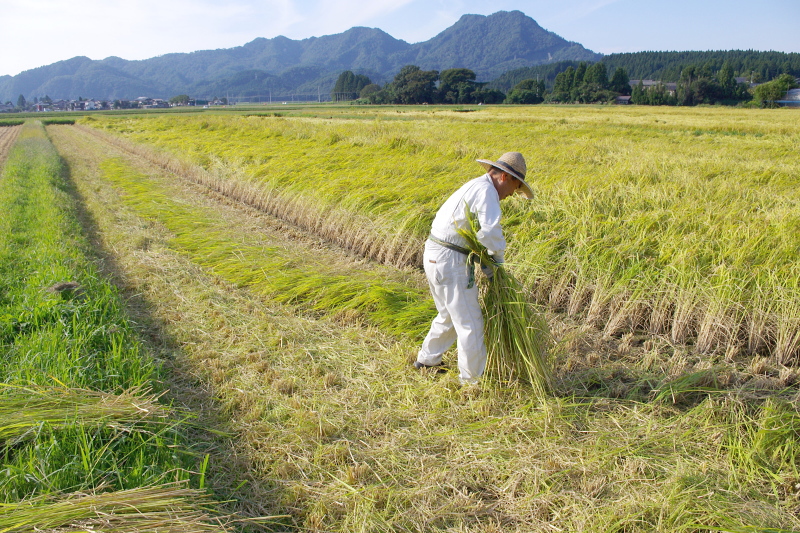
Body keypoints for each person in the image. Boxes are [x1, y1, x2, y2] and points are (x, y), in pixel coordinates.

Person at [414, 152, 534, 385]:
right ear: (505, 178)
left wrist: (487, 267)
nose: (510, 195)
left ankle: (427, 360)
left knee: (449, 314)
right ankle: (471, 381)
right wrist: (497, 261)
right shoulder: (488, 191)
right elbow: (489, 232)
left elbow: (469, 233)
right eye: (515, 189)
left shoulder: (475, 185)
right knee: (470, 323)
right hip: (450, 261)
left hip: (434, 255)